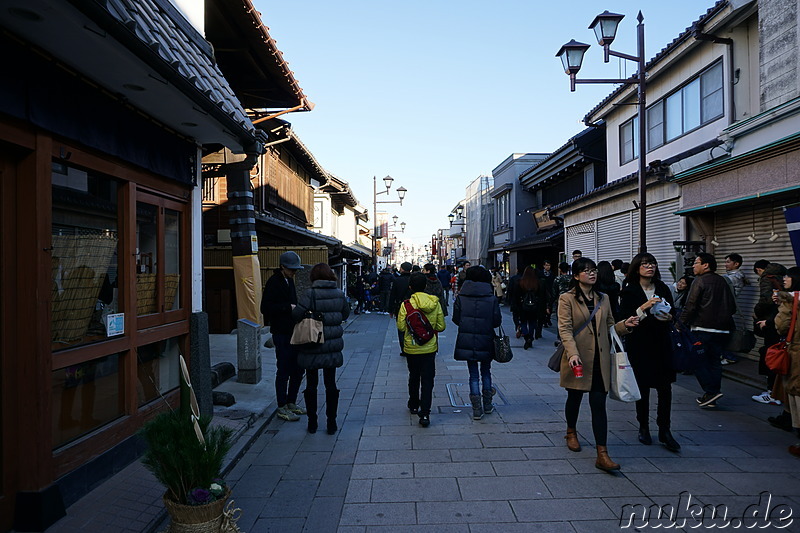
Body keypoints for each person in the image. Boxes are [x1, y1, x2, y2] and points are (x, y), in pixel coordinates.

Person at [557, 257, 639, 472]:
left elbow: (611, 326)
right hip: (578, 358)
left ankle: (602, 454)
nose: (591, 274)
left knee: (598, 405)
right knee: (574, 398)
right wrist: (572, 353)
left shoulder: (604, 298)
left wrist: (625, 325)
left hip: (601, 360)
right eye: (586, 271)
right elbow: (564, 329)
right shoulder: (567, 299)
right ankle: (571, 431)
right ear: (576, 276)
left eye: (593, 270)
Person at [619, 253, 680, 452]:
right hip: (640, 343)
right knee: (643, 388)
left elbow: (674, 311)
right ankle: (643, 426)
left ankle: (665, 429)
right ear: (637, 268)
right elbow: (624, 318)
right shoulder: (629, 290)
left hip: (662, 343)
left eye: (652, 263)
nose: (650, 267)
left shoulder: (662, 288)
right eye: (645, 264)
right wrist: (643, 308)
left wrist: (670, 317)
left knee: (665, 389)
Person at [292, 263, 350, 434]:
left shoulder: (310, 294)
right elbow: (345, 314)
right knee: (330, 384)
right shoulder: (339, 294)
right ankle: (331, 423)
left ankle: (312, 422)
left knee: (311, 384)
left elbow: (296, 315)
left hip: (312, 344)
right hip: (331, 346)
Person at [680, 253, 737, 408]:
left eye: (696, 262)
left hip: (702, 328)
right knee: (714, 361)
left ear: (706, 265)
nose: (693, 265)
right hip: (722, 330)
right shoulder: (723, 281)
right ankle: (712, 395)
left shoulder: (700, 281)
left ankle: (710, 391)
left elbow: (690, 306)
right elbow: (732, 307)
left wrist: (681, 324)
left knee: (697, 360)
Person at [261, 251, 307, 422]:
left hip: (293, 330)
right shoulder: (274, 282)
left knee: (298, 369)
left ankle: (291, 402)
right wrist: (288, 307)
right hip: (281, 332)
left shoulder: (290, 280)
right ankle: (281, 406)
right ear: (282, 267)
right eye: (291, 269)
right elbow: (265, 308)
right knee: (284, 369)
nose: (294, 272)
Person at [453, 266, 502, 420]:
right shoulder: (491, 297)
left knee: (473, 375)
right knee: (486, 372)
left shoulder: (461, 296)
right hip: (486, 338)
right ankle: (488, 405)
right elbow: (496, 321)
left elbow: (456, 319)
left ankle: (476, 409)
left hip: (467, 339)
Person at [397, 273, 446, 427]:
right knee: (427, 379)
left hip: (412, 347)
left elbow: (400, 326)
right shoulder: (435, 303)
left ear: (410, 287)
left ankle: (413, 404)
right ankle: (425, 413)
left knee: (414, 375)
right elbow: (441, 327)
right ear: (425, 286)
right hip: (429, 347)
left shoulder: (406, 305)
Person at [771, 267, 800, 440]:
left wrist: (781, 306)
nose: (784, 279)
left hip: (796, 350)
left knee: (795, 389)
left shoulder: (790, 300)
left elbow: (781, 326)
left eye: (787, 277)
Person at [754, 260, 788, 406]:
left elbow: (765, 301)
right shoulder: (783, 278)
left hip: (772, 322)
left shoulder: (767, 279)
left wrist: (758, 314)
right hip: (782, 324)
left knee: (771, 353)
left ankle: (772, 392)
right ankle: (778, 391)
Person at [721, 253, 748, 365]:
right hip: (726, 309)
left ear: (736, 264)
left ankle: (729, 356)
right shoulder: (731, 276)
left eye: (728, 262)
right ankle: (726, 355)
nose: (725, 264)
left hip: (724, 309)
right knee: (726, 333)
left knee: (723, 334)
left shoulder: (734, 277)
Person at [517, 266, 548, 349]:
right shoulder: (537, 282)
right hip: (534, 305)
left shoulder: (521, 282)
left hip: (523, 305)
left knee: (523, 322)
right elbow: (541, 295)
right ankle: (530, 337)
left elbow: (517, 295)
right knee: (532, 322)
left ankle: (526, 336)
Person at [388, 262, 414, 355]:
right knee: (413, 326)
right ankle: (413, 346)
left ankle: (404, 349)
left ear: (402, 269)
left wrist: (390, 309)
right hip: (413, 306)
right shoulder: (414, 279)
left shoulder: (397, 280)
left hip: (400, 306)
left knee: (401, 328)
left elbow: (392, 295)